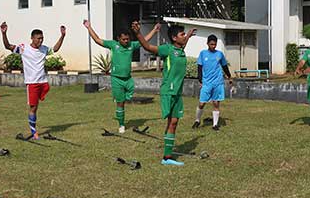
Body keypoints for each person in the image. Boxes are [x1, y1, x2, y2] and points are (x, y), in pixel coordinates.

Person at [132, 21, 196, 166]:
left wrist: (189, 36)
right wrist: (137, 33)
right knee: (170, 122)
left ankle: (167, 158)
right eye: (182, 34)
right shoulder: (167, 49)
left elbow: (183, 44)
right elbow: (148, 46)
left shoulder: (180, 49)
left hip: (178, 93)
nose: (184, 36)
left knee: (174, 122)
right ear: (174, 38)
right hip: (169, 91)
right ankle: (167, 157)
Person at [84, 20, 159, 133]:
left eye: (127, 39)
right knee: (121, 104)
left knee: (131, 90)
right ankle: (121, 124)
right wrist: (89, 27)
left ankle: (122, 98)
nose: (126, 41)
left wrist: (154, 30)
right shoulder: (113, 45)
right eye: (123, 39)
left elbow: (145, 40)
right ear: (118, 38)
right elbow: (97, 40)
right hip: (116, 79)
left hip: (128, 79)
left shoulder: (132, 45)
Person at [0, 23, 66, 139]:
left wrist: (62, 36)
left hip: (43, 83)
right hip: (32, 83)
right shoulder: (24, 48)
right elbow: (8, 46)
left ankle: (33, 126)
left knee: (37, 105)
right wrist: (4, 33)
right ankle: (33, 131)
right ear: (32, 38)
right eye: (38, 38)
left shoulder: (44, 49)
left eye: (42, 38)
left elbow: (55, 49)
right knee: (33, 107)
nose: (40, 40)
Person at [193, 35, 232, 130]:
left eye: (215, 44)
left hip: (218, 82)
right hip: (206, 83)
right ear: (207, 43)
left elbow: (224, 66)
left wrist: (229, 76)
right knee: (202, 103)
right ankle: (197, 120)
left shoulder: (219, 54)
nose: (213, 46)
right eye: (211, 44)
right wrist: (200, 80)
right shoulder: (203, 53)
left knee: (216, 103)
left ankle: (215, 125)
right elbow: (199, 67)